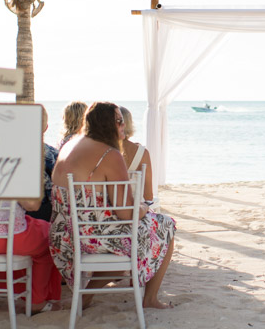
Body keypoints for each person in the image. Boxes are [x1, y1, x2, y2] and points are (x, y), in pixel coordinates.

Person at [50, 102, 176, 309]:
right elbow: (126, 213)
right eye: (118, 121)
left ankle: (85, 297)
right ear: (106, 125)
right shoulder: (110, 154)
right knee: (167, 225)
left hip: (64, 237)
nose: (122, 126)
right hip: (94, 239)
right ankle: (150, 298)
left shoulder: (69, 145)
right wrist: (143, 207)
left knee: (121, 242)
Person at [120, 106, 154, 205]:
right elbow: (148, 196)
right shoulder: (142, 153)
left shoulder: (101, 151)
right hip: (133, 212)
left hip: (105, 212)